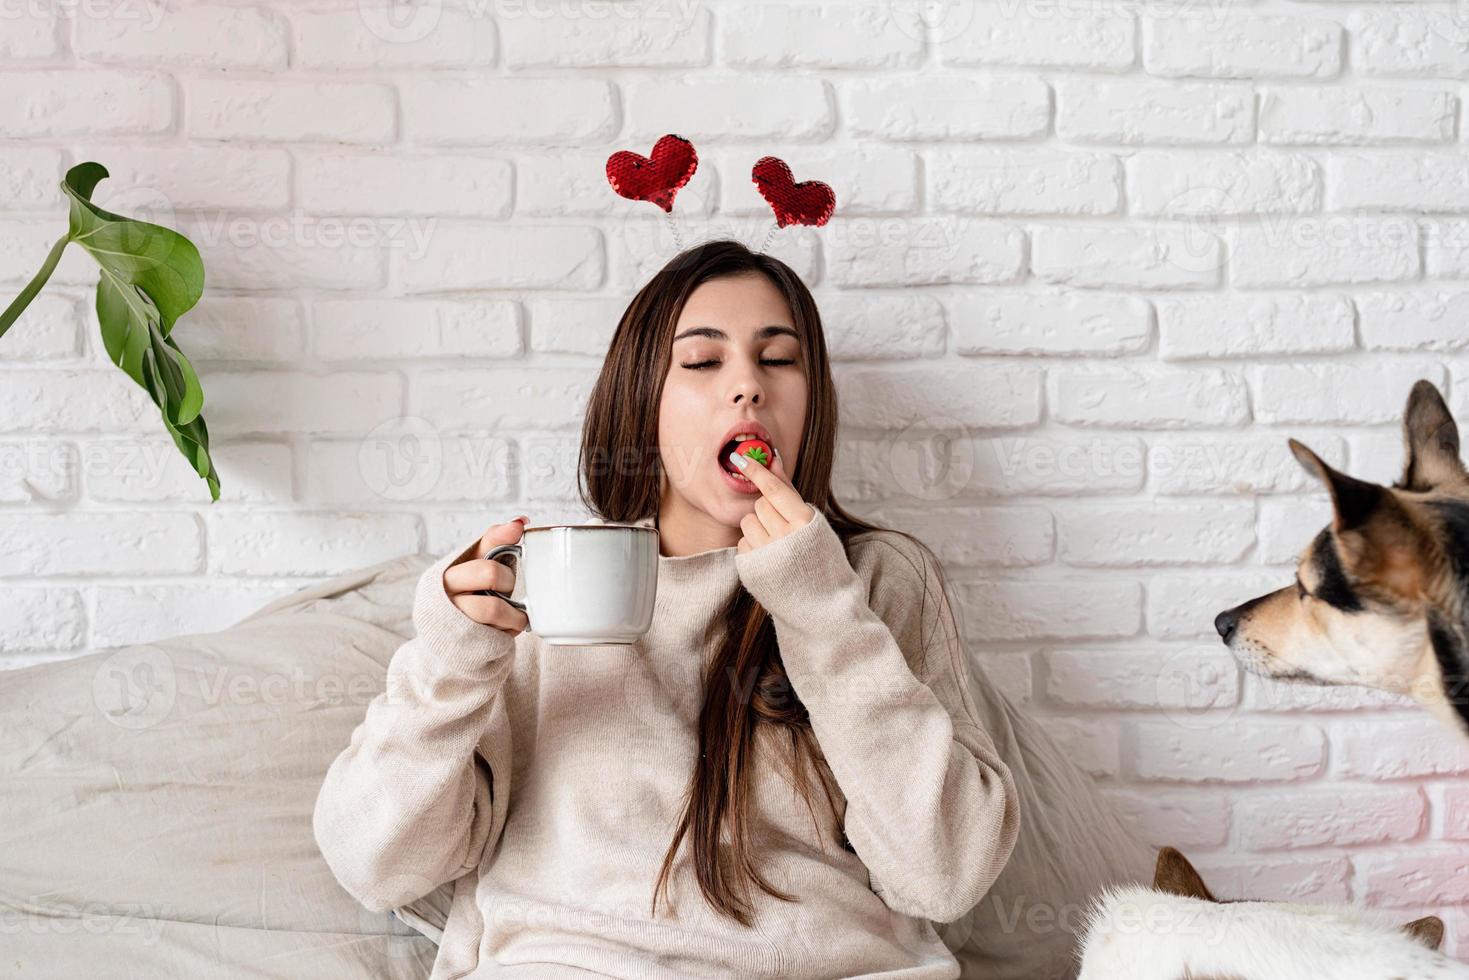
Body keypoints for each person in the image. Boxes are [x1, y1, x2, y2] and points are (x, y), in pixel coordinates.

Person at [313, 238, 1021, 979]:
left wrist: (819, 605)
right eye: (703, 362)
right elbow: (376, 864)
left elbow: (945, 874)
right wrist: (448, 661)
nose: (747, 387)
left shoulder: (874, 576)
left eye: (778, 360)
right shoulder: (541, 582)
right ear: (642, 399)